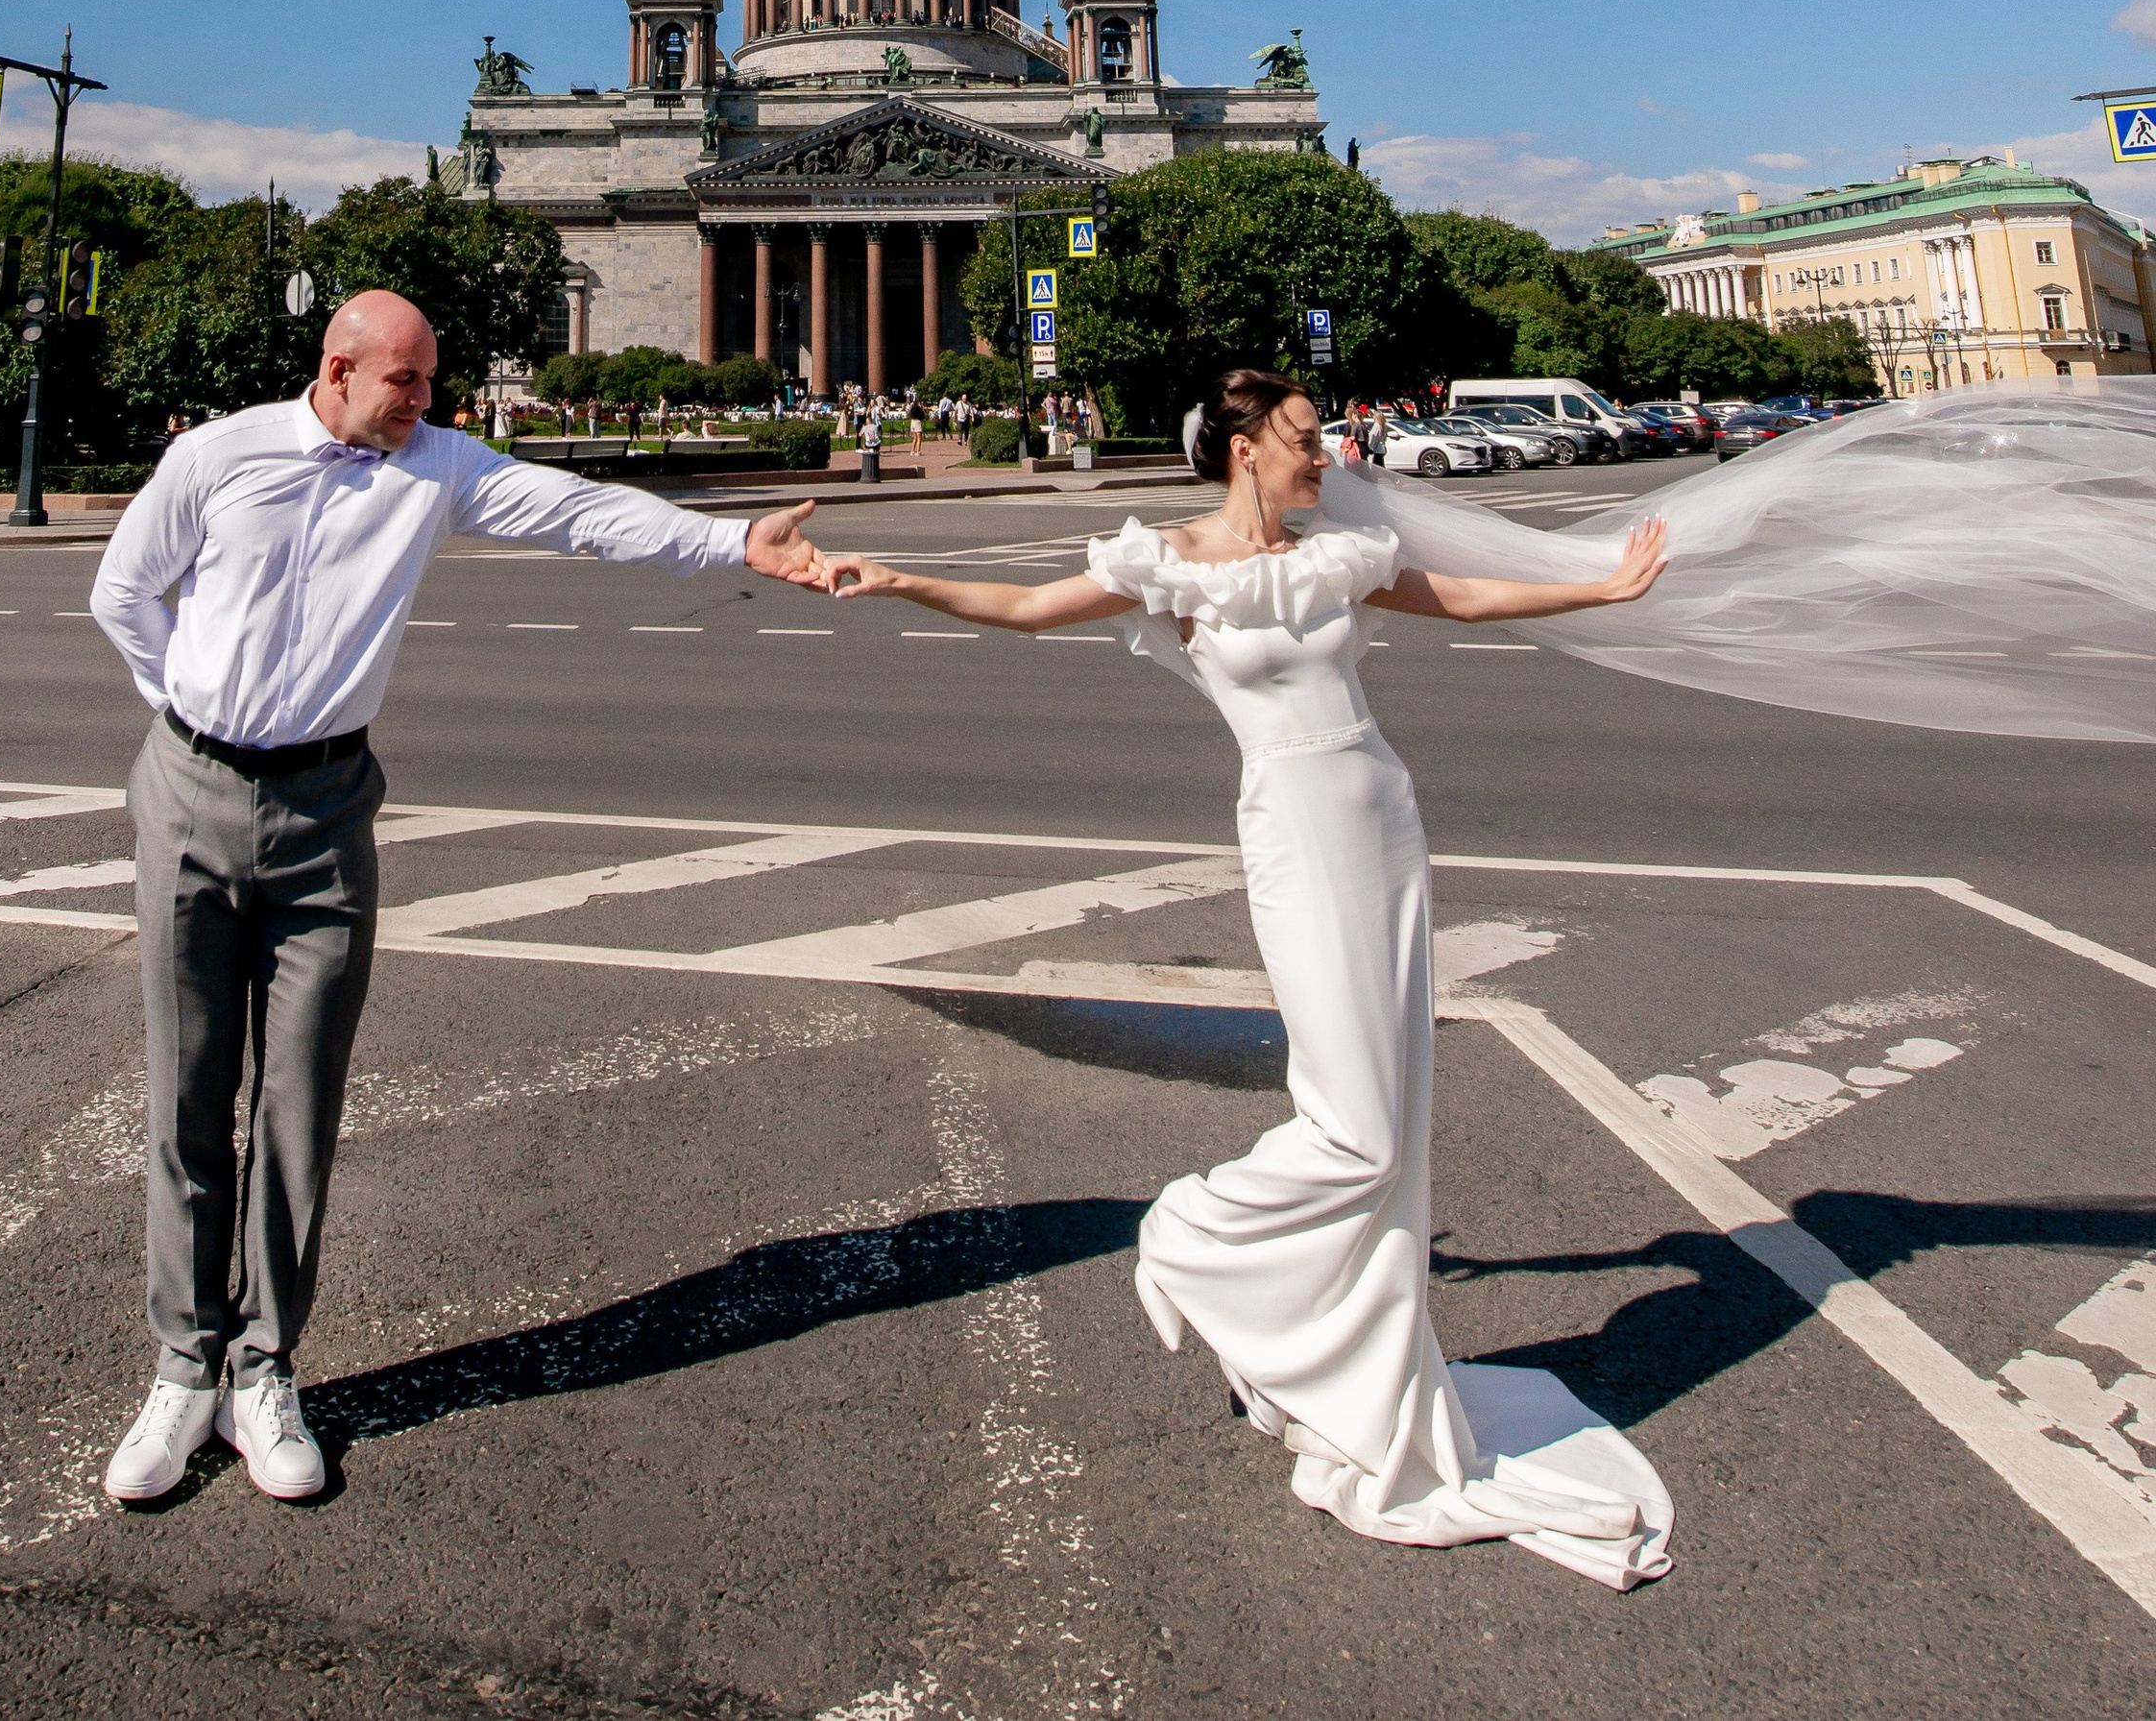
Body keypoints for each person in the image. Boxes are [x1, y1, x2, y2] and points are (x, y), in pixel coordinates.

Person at [819, 367, 1675, 1588]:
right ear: (1241, 449)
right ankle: (1191, 1235)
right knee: (1356, 1130)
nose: (1326, 453)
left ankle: (1367, 1369)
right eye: (1305, 438)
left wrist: (1597, 584)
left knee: (1397, 1112)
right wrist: (898, 574)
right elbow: (1023, 607)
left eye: (1320, 437)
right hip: (1294, 827)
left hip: (1382, 814)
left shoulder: (1336, 554)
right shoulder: (1168, 564)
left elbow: (1467, 595)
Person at [88, 289, 831, 1512]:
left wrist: (730, 542)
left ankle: (264, 1368)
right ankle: (182, 1367)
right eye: (409, 384)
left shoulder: (432, 466)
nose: (430, 403)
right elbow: (125, 594)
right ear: (338, 369)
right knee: (185, 1095)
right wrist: (199, 718)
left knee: (298, 1102)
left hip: (330, 812)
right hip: (190, 792)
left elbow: (577, 511)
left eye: (431, 385)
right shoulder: (216, 455)